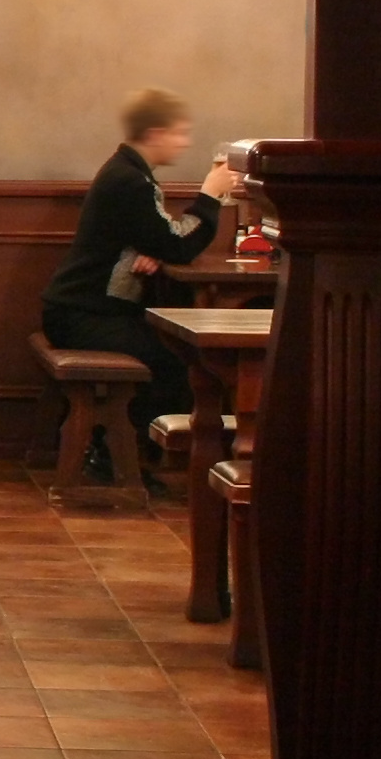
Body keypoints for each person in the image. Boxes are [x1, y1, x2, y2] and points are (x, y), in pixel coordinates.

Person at [41, 88, 242, 473]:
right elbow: (179, 245)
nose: (185, 142)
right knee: (174, 363)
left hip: (79, 309)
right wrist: (210, 195)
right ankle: (115, 460)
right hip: (80, 315)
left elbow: (162, 239)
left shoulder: (126, 171)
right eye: (179, 133)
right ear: (155, 133)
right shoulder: (131, 181)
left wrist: (153, 248)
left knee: (174, 353)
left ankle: (117, 454)